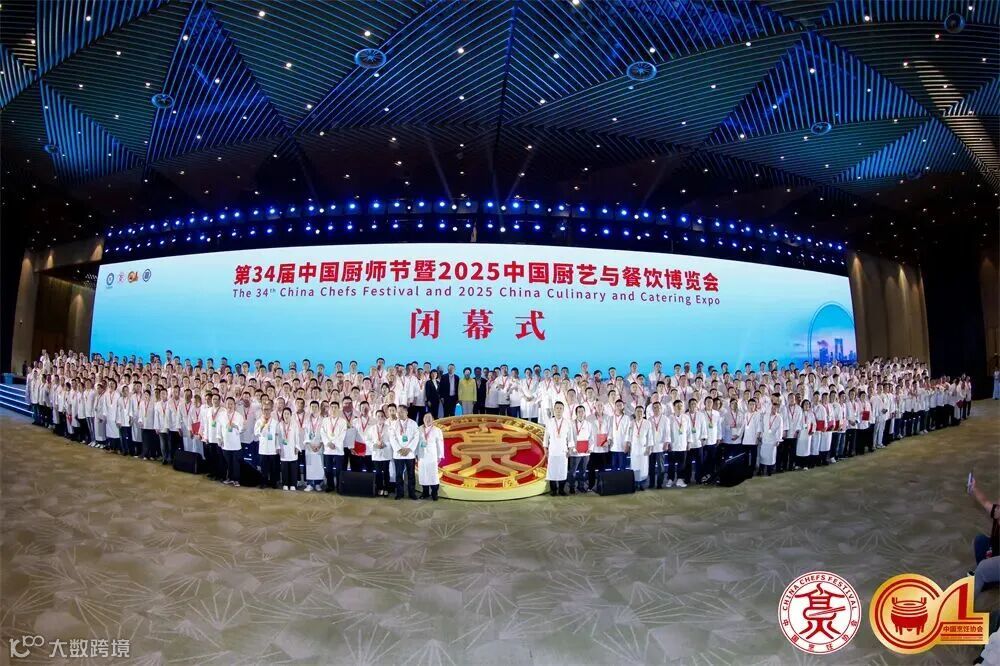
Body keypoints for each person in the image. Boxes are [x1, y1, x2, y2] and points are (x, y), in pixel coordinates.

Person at [969, 476, 1000, 599]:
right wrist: (974, 488)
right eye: (998, 506)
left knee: (983, 568)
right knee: (980, 540)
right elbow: (984, 502)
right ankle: (988, 580)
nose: (997, 509)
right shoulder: (996, 512)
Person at [391, 404, 419, 500]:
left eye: (402, 412)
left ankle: (412, 493)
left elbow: (416, 437)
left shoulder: (413, 423)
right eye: (398, 412)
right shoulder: (394, 424)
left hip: (409, 453)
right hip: (398, 453)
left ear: (406, 412)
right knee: (399, 474)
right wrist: (399, 449)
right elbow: (392, 437)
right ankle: (399, 493)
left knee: (411, 474)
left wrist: (409, 448)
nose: (399, 414)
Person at [543, 401, 571, 496]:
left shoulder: (567, 422)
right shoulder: (549, 422)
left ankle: (561, 490)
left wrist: (570, 449)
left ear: (563, 410)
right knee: (552, 471)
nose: (559, 410)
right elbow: (546, 437)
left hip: (563, 451)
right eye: (557, 408)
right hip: (553, 450)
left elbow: (570, 437)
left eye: (560, 408)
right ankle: (554, 490)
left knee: (562, 471)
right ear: (554, 410)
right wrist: (545, 448)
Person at [218, 396, 245, 486]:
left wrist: (236, 426)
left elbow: (242, 428)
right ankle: (229, 478)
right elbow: (219, 428)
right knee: (228, 462)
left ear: (234, 405)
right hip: (225, 443)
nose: (229, 406)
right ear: (225, 405)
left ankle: (236, 479)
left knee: (235, 462)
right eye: (228, 404)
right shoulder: (221, 415)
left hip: (235, 443)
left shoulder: (238, 416)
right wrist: (219, 438)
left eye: (231, 404)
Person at [416, 413, 445, 500]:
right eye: (426, 417)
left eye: (429, 418)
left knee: (433, 475)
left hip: (432, 456)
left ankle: (434, 493)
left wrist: (440, 456)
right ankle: (425, 493)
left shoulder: (437, 430)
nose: (427, 419)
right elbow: (416, 443)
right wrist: (415, 454)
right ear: (423, 419)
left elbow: (440, 444)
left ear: (433, 419)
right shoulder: (419, 429)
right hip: (422, 455)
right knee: (423, 474)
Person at [254, 401, 280, 489]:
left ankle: (273, 483)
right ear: (262, 410)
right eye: (265, 409)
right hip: (263, 448)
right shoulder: (259, 421)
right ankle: (263, 482)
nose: (266, 411)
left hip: (273, 448)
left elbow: (277, 435)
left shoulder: (275, 422)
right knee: (263, 467)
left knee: (273, 467)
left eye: (268, 409)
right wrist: (262, 426)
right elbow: (256, 433)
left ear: (271, 410)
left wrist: (277, 447)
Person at [568, 405, 591, 494]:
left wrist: (590, 448)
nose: (581, 413)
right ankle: (572, 487)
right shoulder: (571, 424)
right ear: (576, 413)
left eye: (582, 411)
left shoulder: (588, 424)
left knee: (583, 471)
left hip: (586, 452)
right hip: (575, 451)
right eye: (579, 412)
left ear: (585, 413)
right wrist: (573, 447)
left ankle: (581, 486)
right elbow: (569, 437)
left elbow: (591, 438)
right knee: (572, 471)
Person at [277, 407, 299, 491]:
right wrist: (278, 447)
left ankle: (293, 484)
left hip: (292, 448)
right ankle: (285, 484)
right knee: (284, 467)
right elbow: (277, 437)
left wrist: (297, 447)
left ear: (290, 415)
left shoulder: (294, 425)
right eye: (284, 414)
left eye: (288, 414)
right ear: (282, 415)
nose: (286, 415)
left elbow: (297, 437)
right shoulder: (279, 425)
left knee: (293, 467)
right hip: (283, 449)